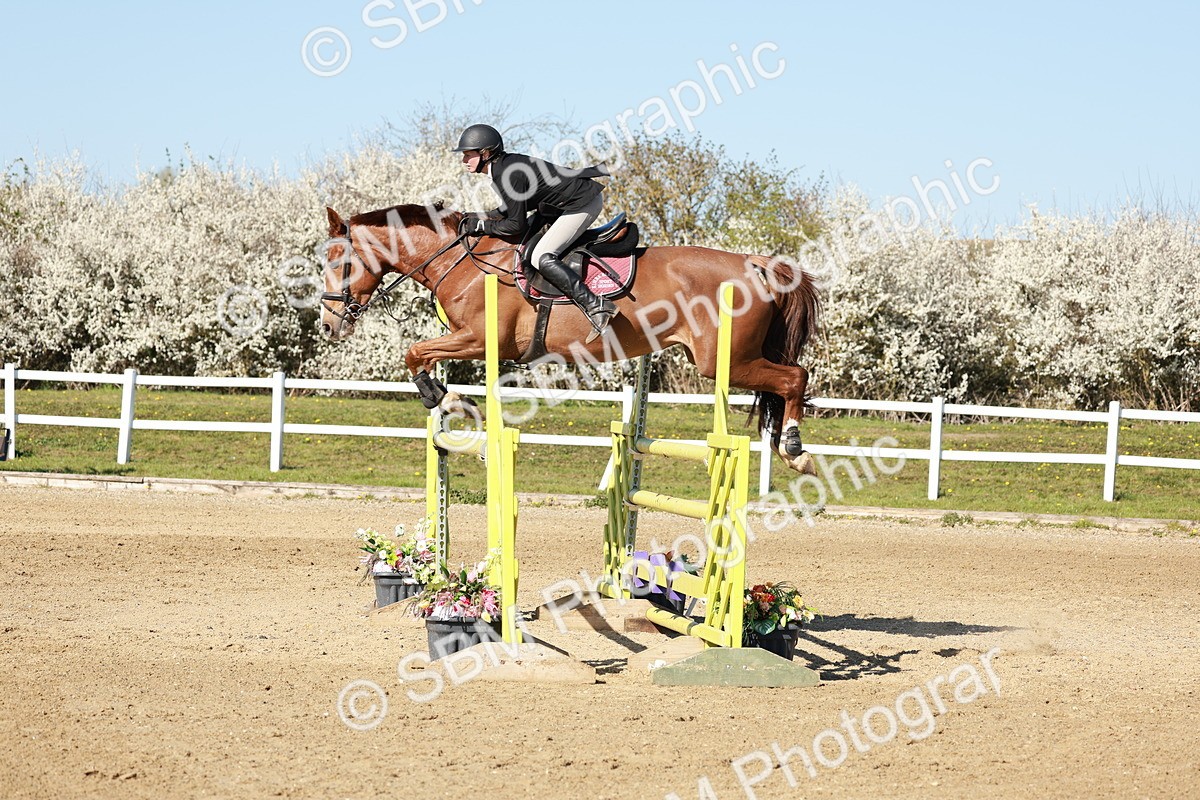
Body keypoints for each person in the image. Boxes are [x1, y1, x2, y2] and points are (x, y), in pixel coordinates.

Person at [453, 123, 618, 343]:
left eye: (468, 155)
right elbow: (508, 210)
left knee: (541, 256)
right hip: (558, 206)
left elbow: (515, 225)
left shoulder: (505, 173)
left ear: (486, 153)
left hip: (581, 204)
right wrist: (475, 216)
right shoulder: (503, 166)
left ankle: (597, 307)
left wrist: (481, 226)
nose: (464, 160)